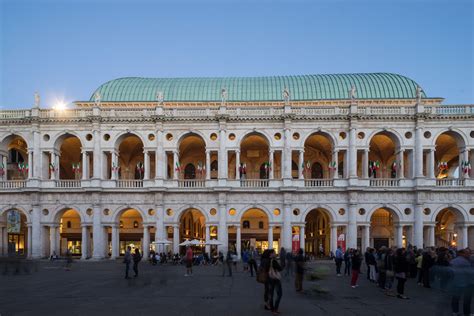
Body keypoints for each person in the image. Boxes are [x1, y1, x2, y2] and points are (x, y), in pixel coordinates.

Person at [450, 249, 472, 316]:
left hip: (456, 282)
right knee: (467, 299)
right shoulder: (466, 262)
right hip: (466, 283)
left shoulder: (453, 261)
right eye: (468, 253)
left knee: (456, 298)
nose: (469, 254)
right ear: (462, 254)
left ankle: (455, 312)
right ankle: (466, 313)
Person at [267, 249, 283, 315]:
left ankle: (272, 309)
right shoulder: (273, 261)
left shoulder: (267, 260)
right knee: (279, 294)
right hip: (275, 279)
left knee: (271, 294)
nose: (275, 253)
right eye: (274, 253)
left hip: (270, 278)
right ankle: (275, 309)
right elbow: (280, 268)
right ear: (271, 254)